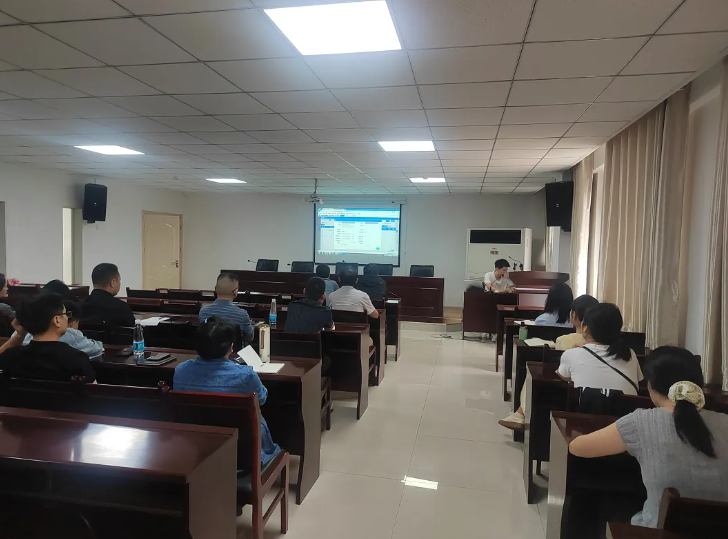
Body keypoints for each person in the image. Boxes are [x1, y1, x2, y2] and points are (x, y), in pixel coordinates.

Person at [569, 346, 728, 528]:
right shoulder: (724, 421)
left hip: (658, 531)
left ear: (651, 386)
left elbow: (577, 447)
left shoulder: (641, 422)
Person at [173, 317, 281, 466]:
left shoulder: (181, 370)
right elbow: (262, 399)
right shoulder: (246, 375)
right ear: (231, 347)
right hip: (242, 450)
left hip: (195, 445)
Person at [499, 294, 601, 430]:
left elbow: (560, 373)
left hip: (572, 397)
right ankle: (520, 414)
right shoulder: (620, 352)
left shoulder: (565, 340)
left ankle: (521, 413)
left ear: (573, 315)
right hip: (606, 404)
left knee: (534, 374)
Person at [0, 293, 96, 381]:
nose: (67, 318)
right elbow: (94, 391)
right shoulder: (76, 359)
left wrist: (20, 334)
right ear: (57, 320)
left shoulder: (11, 356)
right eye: (66, 314)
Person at [557, 302, 643, 395]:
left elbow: (564, 376)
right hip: (628, 405)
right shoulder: (629, 354)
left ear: (585, 327)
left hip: (586, 404)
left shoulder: (571, 355)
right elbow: (639, 380)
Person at [22, 300, 104, 360]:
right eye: (65, 315)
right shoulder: (72, 336)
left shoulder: (24, 335)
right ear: (57, 320)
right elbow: (97, 349)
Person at [199, 273, 254, 342]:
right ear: (235, 292)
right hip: (233, 349)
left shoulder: (203, 312)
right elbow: (249, 338)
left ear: (215, 289)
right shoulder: (242, 314)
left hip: (209, 348)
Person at [81, 263, 136, 327]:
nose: (119, 284)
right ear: (112, 283)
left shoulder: (80, 306)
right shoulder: (121, 308)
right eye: (119, 281)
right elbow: (133, 330)